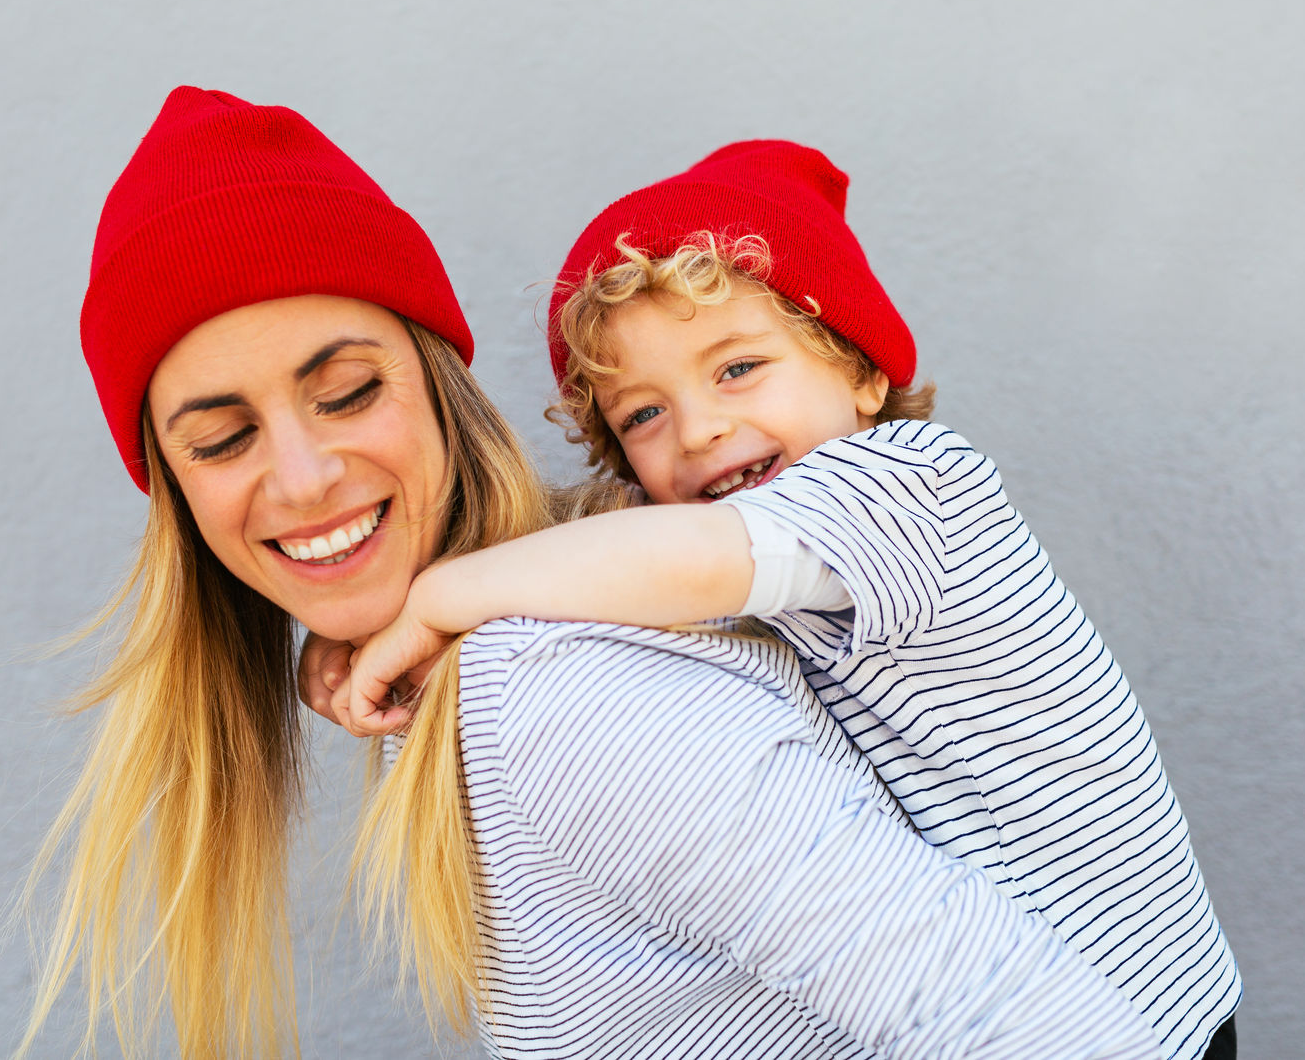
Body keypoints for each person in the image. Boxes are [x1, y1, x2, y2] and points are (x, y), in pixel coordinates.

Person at [17, 88, 1162, 1060]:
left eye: (349, 389)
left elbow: (1036, 1026)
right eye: (220, 439)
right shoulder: (563, 619)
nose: (307, 478)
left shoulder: (573, 689)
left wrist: (443, 594)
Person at [310, 142, 1241, 1058]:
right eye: (642, 414)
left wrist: (436, 597)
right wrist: (362, 610)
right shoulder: (713, 525)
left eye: (736, 368)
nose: (700, 427)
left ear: (861, 370)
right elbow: (595, 546)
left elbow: (681, 557)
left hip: (1135, 1006)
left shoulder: (913, 487)